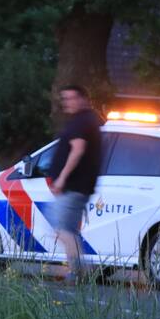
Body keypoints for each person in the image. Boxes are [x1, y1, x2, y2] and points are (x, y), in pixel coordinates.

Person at [48, 84, 103, 282]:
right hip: (80, 186)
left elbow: (78, 150)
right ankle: (80, 270)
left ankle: (77, 272)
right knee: (69, 230)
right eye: (65, 99)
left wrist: (62, 178)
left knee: (63, 229)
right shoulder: (87, 120)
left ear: (83, 99)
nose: (67, 103)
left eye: (71, 98)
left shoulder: (81, 122)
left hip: (73, 186)